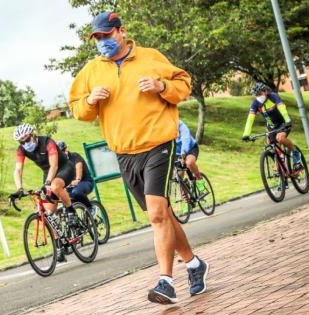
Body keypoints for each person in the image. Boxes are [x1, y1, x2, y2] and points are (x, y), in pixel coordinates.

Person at [68, 11, 209, 304]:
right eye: (98, 38)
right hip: (125, 153)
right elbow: (78, 109)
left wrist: (162, 87)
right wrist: (91, 100)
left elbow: (184, 83)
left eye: (107, 35)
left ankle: (166, 282)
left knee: (157, 215)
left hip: (158, 144)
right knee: (164, 215)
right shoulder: (92, 71)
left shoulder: (150, 57)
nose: (102, 42)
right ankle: (194, 264)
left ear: (121, 31)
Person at [9, 123, 77, 262]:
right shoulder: (21, 150)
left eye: (27, 140)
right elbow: (18, 170)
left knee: (55, 186)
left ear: (33, 135)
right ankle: (59, 245)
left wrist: (47, 183)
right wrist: (19, 189)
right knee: (48, 214)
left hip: (64, 168)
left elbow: (54, 165)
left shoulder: (47, 142)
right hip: (48, 174)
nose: (25, 143)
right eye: (21, 142)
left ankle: (71, 212)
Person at [242, 82, 302, 167]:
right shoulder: (256, 104)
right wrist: (246, 134)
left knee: (280, 138)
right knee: (272, 145)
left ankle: (296, 154)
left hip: (283, 122)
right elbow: (250, 118)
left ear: (265, 91)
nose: (258, 96)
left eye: (260, 94)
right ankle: (281, 168)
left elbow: (282, 108)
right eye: (256, 95)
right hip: (272, 126)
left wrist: (287, 120)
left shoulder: (273, 96)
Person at [175, 120, 205, 214]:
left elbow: (186, 138)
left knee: (189, 163)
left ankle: (199, 179)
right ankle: (187, 202)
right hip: (177, 154)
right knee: (178, 176)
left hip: (190, 148)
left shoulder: (180, 124)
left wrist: (183, 152)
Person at [56, 141, 95, 211]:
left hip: (85, 182)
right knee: (64, 202)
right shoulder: (60, 163)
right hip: (70, 187)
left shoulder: (75, 156)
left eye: (62, 152)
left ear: (66, 150)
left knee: (76, 192)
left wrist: (77, 179)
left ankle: (90, 207)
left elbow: (79, 167)